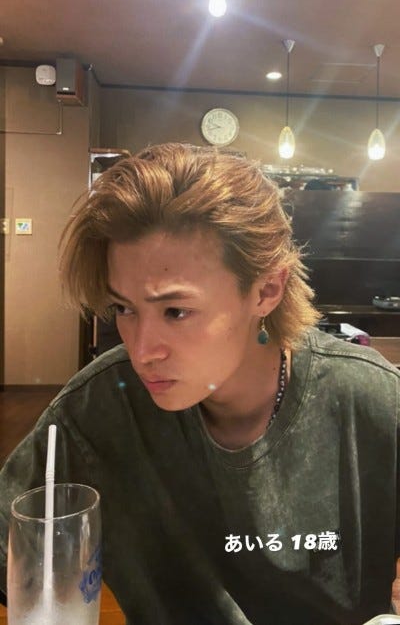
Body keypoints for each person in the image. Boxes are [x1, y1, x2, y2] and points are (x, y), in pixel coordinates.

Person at [0, 142, 399, 625]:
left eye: (176, 311)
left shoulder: (371, 402)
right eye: (124, 308)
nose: (141, 350)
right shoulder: (97, 410)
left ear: (267, 290)